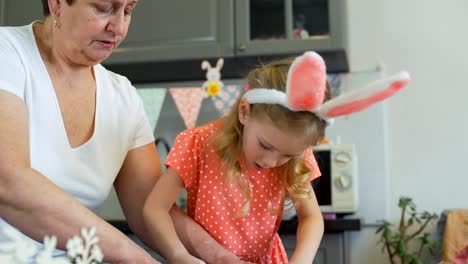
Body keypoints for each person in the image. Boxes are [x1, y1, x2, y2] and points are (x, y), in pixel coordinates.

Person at [0, 0, 250, 263]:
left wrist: (218, 256)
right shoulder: (8, 53)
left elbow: (148, 205)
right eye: (103, 8)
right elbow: (9, 182)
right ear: (57, 4)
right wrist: (135, 257)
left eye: (128, 11)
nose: (117, 26)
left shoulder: (122, 96)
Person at [142, 51, 411, 263]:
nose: (271, 162)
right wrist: (180, 256)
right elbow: (154, 208)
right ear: (245, 112)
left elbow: (311, 218)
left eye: (287, 154)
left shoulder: (294, 154)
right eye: (265, 145)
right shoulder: (197, 144)